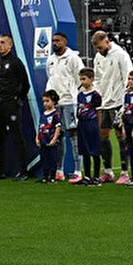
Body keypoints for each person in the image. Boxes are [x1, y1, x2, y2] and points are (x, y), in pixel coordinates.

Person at [91, 30, 133, 183]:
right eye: (96, 48)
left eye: (100, 47)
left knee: (121, 136)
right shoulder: (98, 57)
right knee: (103, 135)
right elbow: (98, 78)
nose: (98, 51)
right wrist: (98, 95)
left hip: (118, 102)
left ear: (107, 41)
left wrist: (124, 103)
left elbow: (127, 79)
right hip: (105, 102)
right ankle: (108, 171)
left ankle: (124, 172)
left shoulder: (121, 55)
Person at [0, 33, 32, 180]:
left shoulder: (16, 62)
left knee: (17, 136)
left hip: (11, 105)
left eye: (3, 42)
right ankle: (0, 171)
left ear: (10, 45)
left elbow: (25, 85)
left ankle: (24, 171)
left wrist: (16, 99)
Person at [44, 31, 84, 182]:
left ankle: (78, 170)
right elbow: (51, 77)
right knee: (58, 137)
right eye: (53, 41)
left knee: (73, 135)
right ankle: (59, 170)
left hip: (69, 101)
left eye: (58, 41)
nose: (55, 43)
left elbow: (80, 79)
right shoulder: (50, 60)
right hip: (56, 104)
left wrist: (73, 94)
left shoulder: (73, 58)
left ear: (65, 42)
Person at [76, 68, 103, 186]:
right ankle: (86, 176)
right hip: (82, 124)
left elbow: (98, 112)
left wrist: (98, 126)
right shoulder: (80, 95)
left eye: (84, 79)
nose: (82, 81)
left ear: (91, 79)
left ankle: (96, 177)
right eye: (80, 79)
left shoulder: (96, 95)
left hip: (91, 124)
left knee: (95, 151)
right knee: (84, 151)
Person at [37, 91, 63, 184]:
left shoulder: (56, 114)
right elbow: (40, 126)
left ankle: (52, 177)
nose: (45, 103)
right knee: (44, 159)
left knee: (52, 159)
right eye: (44, 101)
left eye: (47, 101)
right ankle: (45, 176)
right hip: (43, 140)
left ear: (54, 101)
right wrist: (37, 138)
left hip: (51, 140)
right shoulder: (43, 114)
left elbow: (58, 127)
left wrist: (54, 138)